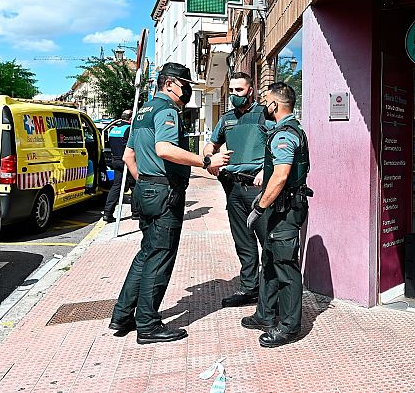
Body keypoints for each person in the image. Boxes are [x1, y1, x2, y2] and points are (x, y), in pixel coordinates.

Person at [109, 62, 231, 345]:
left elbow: (129, 157)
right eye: (185, 83)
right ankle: (148, 325)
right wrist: (206, 161)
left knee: (146, 253)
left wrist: (147, 183)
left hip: (146, 189)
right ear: (170, 83)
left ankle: (123, 315)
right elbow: (164, 149)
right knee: (160, 256)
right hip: (164, 193)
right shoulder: (167, 110)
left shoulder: (142, 112)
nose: (187, 89)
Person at [244, 82, 311, 348]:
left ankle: (289, 326)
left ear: (275, 104)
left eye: (265, 100)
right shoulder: (284, 130)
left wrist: (259, 207)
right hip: (280, 208)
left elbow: (282, 175)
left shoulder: (285, 134)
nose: (263, 104)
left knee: (285, 266)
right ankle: (265, 314)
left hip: (285, 209)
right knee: (270, 260)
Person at [203, 72, 274, 308]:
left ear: (251, 90)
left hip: (258, 186)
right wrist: (209, 158)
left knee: (268, 241)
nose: (234, 95)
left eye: (239, 91)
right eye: (231, 90)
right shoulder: (226, 119)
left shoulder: (265, 115)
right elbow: (210, 145)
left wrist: (268, 169)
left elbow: (279, 145)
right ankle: (249, 288)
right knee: (243, 242)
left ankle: (273, 293)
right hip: (233, 187)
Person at [102, 109, 136, 223]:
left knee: (116, 187)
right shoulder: (129, 129)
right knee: (134, 186)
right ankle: (136, 213)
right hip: (127, 160)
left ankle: (107, 213)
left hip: (115, 160)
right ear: (130, 119)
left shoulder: (113, 129)